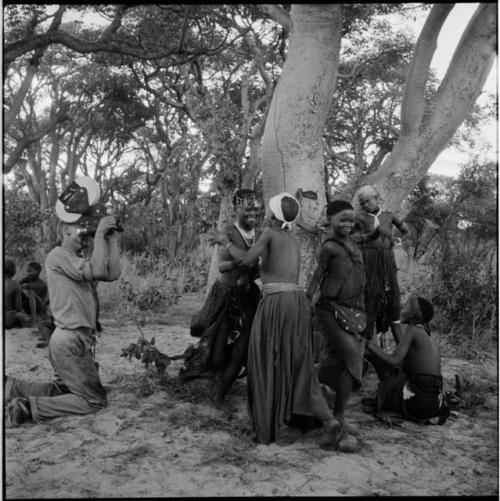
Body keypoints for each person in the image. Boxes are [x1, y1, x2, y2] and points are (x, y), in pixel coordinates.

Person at [209, 192, 340, 448]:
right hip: (297, 301)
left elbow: (247, 259)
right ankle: (328, 420)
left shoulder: (269, 233)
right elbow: (266, 266)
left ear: (271, 215)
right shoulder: (291, 238)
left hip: (276, 302)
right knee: (300, 366)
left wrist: (225, 241)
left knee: (263, 361)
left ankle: (267, 430)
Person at [5, 214, 121, 426]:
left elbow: (112, 274)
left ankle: (12, 387)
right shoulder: (58, 255)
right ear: (66, 231)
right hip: (70, 340)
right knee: (94, 401)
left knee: (64, 390)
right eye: (79, 229)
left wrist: (110, 240)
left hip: (68, 340)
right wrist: (99, 234)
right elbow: (96, 270)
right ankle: (27, 407)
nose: (84, 234)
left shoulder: (74, 260)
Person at [307, 200, 377, 450]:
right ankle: (333, 418)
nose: (347, 224)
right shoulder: (329, 246)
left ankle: (337, 415)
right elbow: (317, 275)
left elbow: (373, 234)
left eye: (350, 219)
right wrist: (306, 301)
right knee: (352, 357)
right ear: (330, 220)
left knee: (347, 361)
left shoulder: (354, 241)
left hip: (353, 311)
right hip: (329, 310)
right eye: (342, 220)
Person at [180, 189, 262, 401]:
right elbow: (223, 267)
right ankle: (206, 373)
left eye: (255, 208)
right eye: (247, 208)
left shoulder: (260, 234)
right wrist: (242, 262)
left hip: (247, 297)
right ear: (236, 208)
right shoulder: (228, 232)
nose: (252, 212)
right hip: (226, 296)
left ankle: (224, 387)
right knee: (216, 352)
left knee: (244, 344)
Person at [364, 296, 449, 424]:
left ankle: (386, 400)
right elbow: (399, 340)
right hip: (434, 403)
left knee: (377, 359)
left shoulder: (412, 330)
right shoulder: (423, 333)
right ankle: (386, 398)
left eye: (406, 305)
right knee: (386, 364)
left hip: (419, 400)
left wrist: (368, 344)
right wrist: (391, 319)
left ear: (412, 314)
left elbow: (394, 360)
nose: (402, 307)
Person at [353, 185, 409, 345]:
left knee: (390, 294)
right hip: (369, 260)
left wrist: (397, 241)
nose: (365, 205)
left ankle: (391, 336)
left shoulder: (389, 216)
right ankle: (369, 344)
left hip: (387, 260)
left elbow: (406, 232)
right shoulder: (359, 218)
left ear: (376, 198)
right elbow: (353, 237)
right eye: (362, 203)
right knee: (370, 295)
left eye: (367, 201)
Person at [4, 259, 31, 329]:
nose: (16, 270)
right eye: (15, 268)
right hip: (8, 321)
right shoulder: (15, 285)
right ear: (12, 271)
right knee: (25, 317)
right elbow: (18, 307)